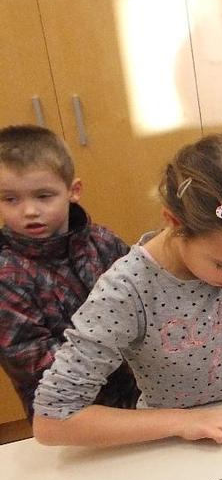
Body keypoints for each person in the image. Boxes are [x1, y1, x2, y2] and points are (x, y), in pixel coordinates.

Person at [32, 133, 222, 447]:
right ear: (174, 222)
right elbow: (53, 421)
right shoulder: (127, 289)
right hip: (177, 440)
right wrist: (182, 421)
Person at [0, 125, 138, 418]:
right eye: (10, 199)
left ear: (73, 191)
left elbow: (145, 299)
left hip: (141, 399)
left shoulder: (103, 241)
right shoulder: (6, 275)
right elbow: (31, 360)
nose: (29, 211)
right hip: (70, 417)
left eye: (43, 196)